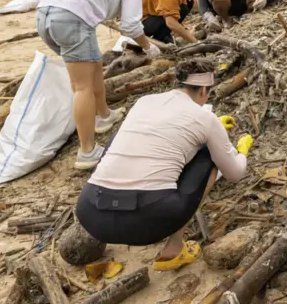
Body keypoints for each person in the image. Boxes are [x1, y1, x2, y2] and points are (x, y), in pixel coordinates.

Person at [75, 60, 251, 270]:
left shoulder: (144, 102)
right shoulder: (206, 118)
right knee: (208, 155)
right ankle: (174, 249)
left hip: (91, 213)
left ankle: (102, 236)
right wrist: (242, 151)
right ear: (204, 89)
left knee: (121, 140)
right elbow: (235, 173)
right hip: (152, 219)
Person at [37, 0, 161, 168]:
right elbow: (130, 26)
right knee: (82, 87)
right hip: (72, 20)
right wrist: (147, 47)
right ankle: (87, 152)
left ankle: (104, 115)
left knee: (94, 65)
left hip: (44, 15)